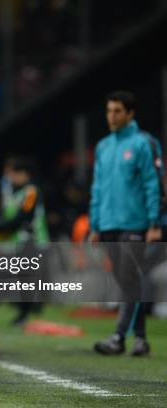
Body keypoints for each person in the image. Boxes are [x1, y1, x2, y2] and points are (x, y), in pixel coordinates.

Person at [89, 90, 162, 357]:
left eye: (117, 111)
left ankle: (118, 336)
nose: (112, 116)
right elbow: (97, 188)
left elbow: (153, 184)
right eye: (109, 110)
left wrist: (155, 223)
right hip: (108, 224)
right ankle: (141, 338)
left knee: (130, 277)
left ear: (130, 113)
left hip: (136, 223)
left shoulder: (145, 143)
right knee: (127, 282)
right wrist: (95, 225)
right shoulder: (103, 147)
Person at [0, 157, 49, 325]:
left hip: (32, 241)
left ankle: (23, 316)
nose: (10, 177)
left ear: (24, 174)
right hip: (13, 242)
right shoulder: (11, 192)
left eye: (13, 173)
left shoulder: (31, 192)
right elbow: (4, 212)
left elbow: (24, 216)